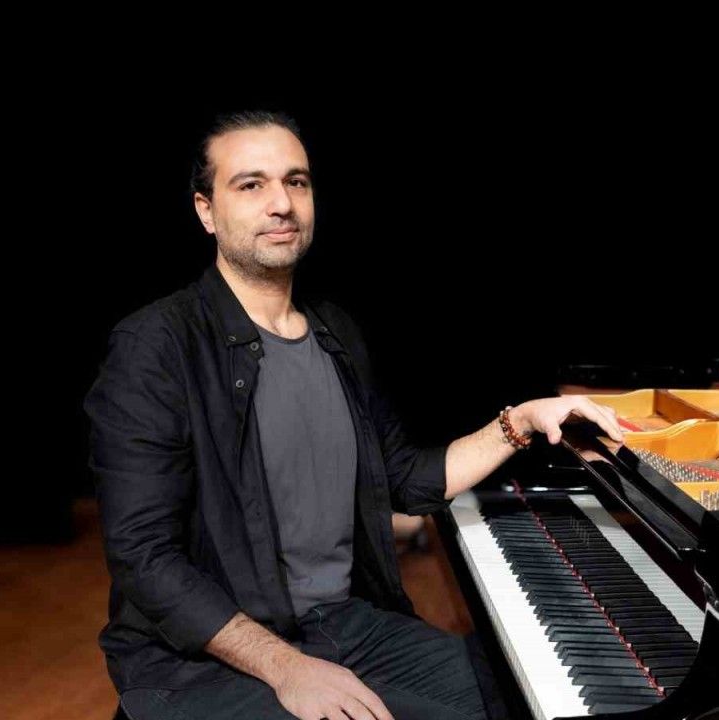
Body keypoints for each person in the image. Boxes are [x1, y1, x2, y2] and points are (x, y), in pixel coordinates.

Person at [84, 109, 624, 720]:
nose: (281, 204)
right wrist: (286, 667)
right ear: (206, 211)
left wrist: (520, 421)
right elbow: (143, 556)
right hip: (202, 660)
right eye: (251, 184)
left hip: (343, 624)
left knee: (527, 699)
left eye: (296, 181)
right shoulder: (155, 345)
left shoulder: (334, 333)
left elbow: (405, 478)